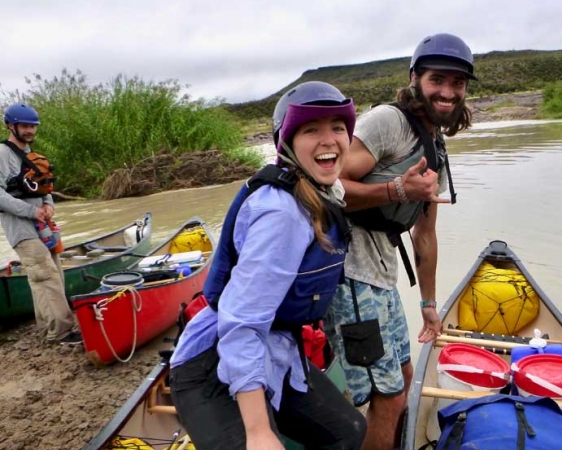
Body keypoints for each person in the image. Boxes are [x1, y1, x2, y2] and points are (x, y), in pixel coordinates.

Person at [169, 81, 366, 450]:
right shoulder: (281, 214)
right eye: (311, 130)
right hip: (211, 362)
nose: (329, 140)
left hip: (277, 346)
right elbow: (242, 323)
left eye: (338, 127)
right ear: (287, 143)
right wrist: (258, 432)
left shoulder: (324, 195)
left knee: (348, 431)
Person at [324, 33, 476, 449]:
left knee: (405, 377)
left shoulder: (436, 145)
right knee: (387, 396)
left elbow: (425, 232)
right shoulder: (388, 122)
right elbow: (327, 184)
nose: (447, 92)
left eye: (457, 83)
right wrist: (395, 191)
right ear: (415, 79)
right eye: (437, 80)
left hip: (383, 274)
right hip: (351, 272)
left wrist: (429, 304)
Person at [0, 103, 80, 345]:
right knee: (45, 275)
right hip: (21, 228)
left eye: (33, 126)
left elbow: (44, 185)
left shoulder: (30, 153)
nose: (30, 131)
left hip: (42, 223)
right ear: (11, 126)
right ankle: (63, 331)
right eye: (25, 126)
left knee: (48, 273)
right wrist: (31, 211)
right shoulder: (2, 154)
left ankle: (49, 329)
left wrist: (48, 205)